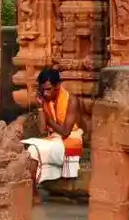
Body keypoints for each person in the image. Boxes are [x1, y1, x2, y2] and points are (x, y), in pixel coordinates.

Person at [21, 68, 83, 198]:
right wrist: (40, 107)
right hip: (54, 138)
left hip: (71, 139)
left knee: (33, 150)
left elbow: (66, 132)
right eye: (43, 89)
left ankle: (33, 194)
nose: (45, 93)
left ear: (58, 86)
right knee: (29, 150)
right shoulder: (45, 100)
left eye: (48, 89)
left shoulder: (72, 101)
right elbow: (43, 130)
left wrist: (48, 120)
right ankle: (33, 192)